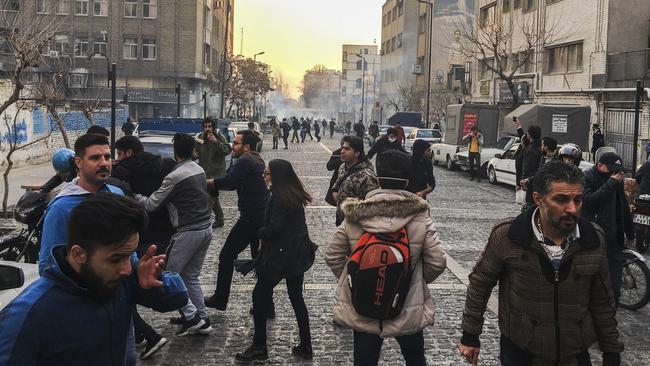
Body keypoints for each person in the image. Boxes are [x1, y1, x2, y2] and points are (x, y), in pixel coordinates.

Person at [458, 161, 623, 366]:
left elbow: (603, 300)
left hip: (574, 354)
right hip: (521, 353)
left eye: (578, 200)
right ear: (539, 199)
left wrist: (611, 351)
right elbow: (480, 284)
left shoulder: (593, 239)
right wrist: (470, 336)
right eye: (561, 200)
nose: (572, 208)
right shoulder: (509, 236)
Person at [0, 193, 189, 366]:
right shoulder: (27, 316)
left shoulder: (121, 280)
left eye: (130, 255)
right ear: (78, 254)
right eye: (116, 258)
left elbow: (178, 297)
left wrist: (154, 283)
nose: (126, 268)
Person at [325, 149, 447, 366]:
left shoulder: (355, 214)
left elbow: (332, 255)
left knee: (364, 361)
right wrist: (410, 279)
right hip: (407, 302)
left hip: (363, 303)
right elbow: (438, 262)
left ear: (378, 180)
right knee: (415, 359)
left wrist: (357, 277)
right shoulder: (420, 217)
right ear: (408, 182)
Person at [235, 159, 315, 363]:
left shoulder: (279, 198)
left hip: (281, 257)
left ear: (276, 176)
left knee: (259, 295)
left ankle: (260, 346)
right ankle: (306, 344)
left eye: (267, 173)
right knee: (296, 297)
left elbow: (274, 229)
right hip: (296, 254)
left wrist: (259, 231)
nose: (264, 176)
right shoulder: (292, 195)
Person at [135, 133, 213, 336]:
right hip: (205, 228)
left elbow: (152, 204)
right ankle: (201, 317)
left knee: (170, 274)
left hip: (188, 231)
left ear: (175, 151)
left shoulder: (174, 176)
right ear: (193, 150)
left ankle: (193, 317)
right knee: (190, 276)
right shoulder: (198, 169)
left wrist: (134, 196)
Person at [113, 135, 177, 358]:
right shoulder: (164, 164)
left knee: (126, 284)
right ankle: (141, 332)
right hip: (166, 229)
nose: (117, 159)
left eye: (119, 154)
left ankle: (147, 334)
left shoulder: (122, 172)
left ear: (129, 152)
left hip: (142, 232)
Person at [204, 130, 272, 312]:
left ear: (247, 146)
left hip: (251, 217)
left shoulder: (246, 160)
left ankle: (220, 298)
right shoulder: (256, 159)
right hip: (260, 215)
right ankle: (266, 305)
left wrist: (206, 182)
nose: (232, 146)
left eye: (236, 143)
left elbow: (230, 181)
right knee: (258, 260)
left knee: (226, 255)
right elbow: (235, 182)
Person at [40, 133, 124, 275]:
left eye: (107, 157)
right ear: (78, 162)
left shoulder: (117, 195)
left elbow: (127, 246)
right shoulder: (61, 209)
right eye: (95, 158)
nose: (104, 163)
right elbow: (47, 266)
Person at [582, 152, 634, 304]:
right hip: (593, 238)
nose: (614, 172)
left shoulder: (616, 181)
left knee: (614, 289)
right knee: (592, 286)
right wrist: (610, 183)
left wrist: (630, 233)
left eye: (616, 169)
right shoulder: (588, 177)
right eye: (610, 168)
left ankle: (610, 321)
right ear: (599, 165)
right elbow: (589, 202)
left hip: (613, 240)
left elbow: (623, 208)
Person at [331, 136, 378, 226]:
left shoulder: (367, 175)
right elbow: (337, 184)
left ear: (357, 153)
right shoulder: (342, 167)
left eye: (347, 149)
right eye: (342, 148)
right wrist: (336, 194)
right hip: (341, 221)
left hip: (357, 225)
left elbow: (372, 205)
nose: (342, 151)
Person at [197, 118, 232, 228]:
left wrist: (215, 141)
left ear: (213, 127)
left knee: (210, 196)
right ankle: (220, 219)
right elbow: (197, 153)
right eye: (205, 126)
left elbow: (227, 150)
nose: (207, 129)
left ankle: (204, 219)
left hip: (216, 174)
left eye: (209, 126)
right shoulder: (200, 138)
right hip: (204, 172)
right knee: (213, 197)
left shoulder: (219, 137)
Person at [519, 124, 543, 209]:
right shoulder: (541, 146)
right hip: (538, 181)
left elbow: (527, 167)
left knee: (529, 207)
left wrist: (524, 179)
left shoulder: (530, 149)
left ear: (530, 135)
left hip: (530, 181)